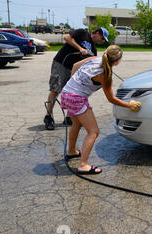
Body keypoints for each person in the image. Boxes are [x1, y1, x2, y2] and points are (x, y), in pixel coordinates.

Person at [60, 45, 140, 174]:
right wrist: (129, 105)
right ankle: (83, 165)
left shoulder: (94, 59)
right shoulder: (104, 74)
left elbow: (75, 65)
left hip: (66, 93)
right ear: (117, 61)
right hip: (76, 98)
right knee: (93, 131)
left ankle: (71, 151)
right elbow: (111, 99)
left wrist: (74, 83)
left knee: (76, 123)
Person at [43, 27, 109, 130]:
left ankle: (69, 117)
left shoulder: (93, 49)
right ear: (96, 33)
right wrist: (80, 49)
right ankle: (48, 117)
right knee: (55, 89)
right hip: (61, 63)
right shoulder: (83, 33)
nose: (102, 41)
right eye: (102, 38)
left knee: (72, 92)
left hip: (73, 69)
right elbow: (67, 37)